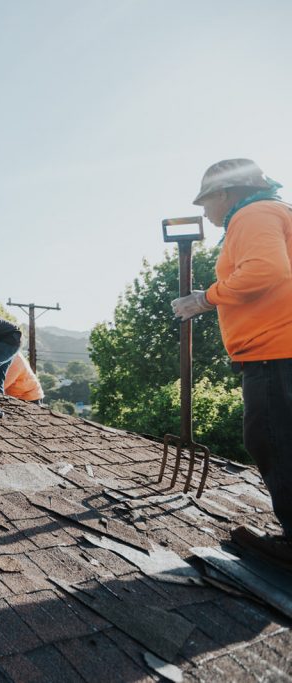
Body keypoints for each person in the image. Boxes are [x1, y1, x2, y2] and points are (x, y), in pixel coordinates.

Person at [171, 158, 292, 567]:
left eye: (206, 202)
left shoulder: (252, 214)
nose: (207, 212)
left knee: (274, 441)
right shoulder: (276, 212)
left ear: (224, 193)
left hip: (276, 354)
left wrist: (205, 298)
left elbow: (265, 271)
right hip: (281, 349)